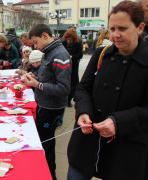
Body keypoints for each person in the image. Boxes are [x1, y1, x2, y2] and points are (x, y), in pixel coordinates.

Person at [67, 1, 148, 180]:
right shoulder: (102, 54)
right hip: (87, 143)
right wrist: (83, 112)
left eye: (122, 28)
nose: (115, 35)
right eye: (112, 29)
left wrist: (118, 122)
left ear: (140, 28)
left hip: (126, 150)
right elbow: (83, 88)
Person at [22, 24, 71, 180]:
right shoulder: (48, 52)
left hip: (51, 109)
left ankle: (50, 175)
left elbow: (63, 88)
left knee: (47, 145)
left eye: (35, 42)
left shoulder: (59, 54)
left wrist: (38, 85)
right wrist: (35, 79)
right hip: (44, 105)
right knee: (44, 143)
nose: (35, 46)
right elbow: (47, 78)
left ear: (45, 35)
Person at [62, 29, 83, 107]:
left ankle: (70, 99)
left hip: (74, 65)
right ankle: (65, 99)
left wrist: (72, 56)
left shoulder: (78, 44)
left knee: (73, 83)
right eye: (67, 39)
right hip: (65, 65)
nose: (68, 41)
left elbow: (80, 55)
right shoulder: (63, 43)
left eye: (70, 40)